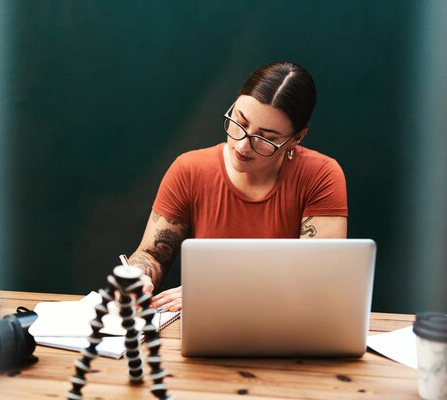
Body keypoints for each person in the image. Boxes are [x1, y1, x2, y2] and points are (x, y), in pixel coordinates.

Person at [128, 61, 348, 312]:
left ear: (296, 138)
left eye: (265, 138)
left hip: (288, 324)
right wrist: (136, 275)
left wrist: (215, 293)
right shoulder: (189, 170)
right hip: (206, 325)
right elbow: (152, 255)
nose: (243, 146)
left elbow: (318, 279)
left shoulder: (320, 176)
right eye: (240, 123)